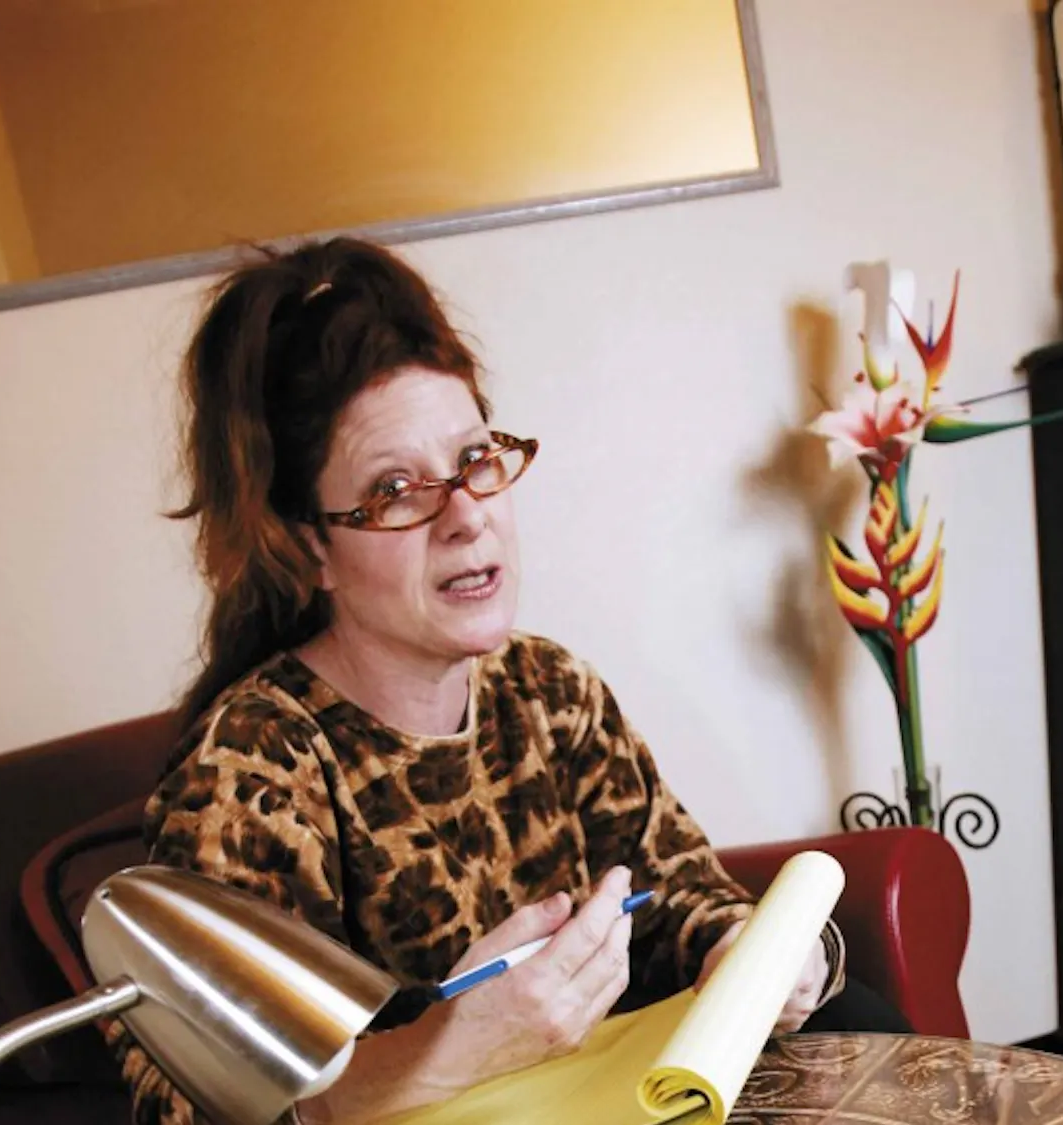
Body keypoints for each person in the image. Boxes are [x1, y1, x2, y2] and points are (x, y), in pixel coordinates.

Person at [111, 236, 906, 1125]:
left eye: (477, 459)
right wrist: (451, 1048)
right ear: (308, 548)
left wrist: (741, 952)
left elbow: (676, 888)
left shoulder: (547, 688)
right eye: (397, 489)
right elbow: (185, 1109)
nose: (466, 515)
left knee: (862, 1034)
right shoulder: (254, 766)